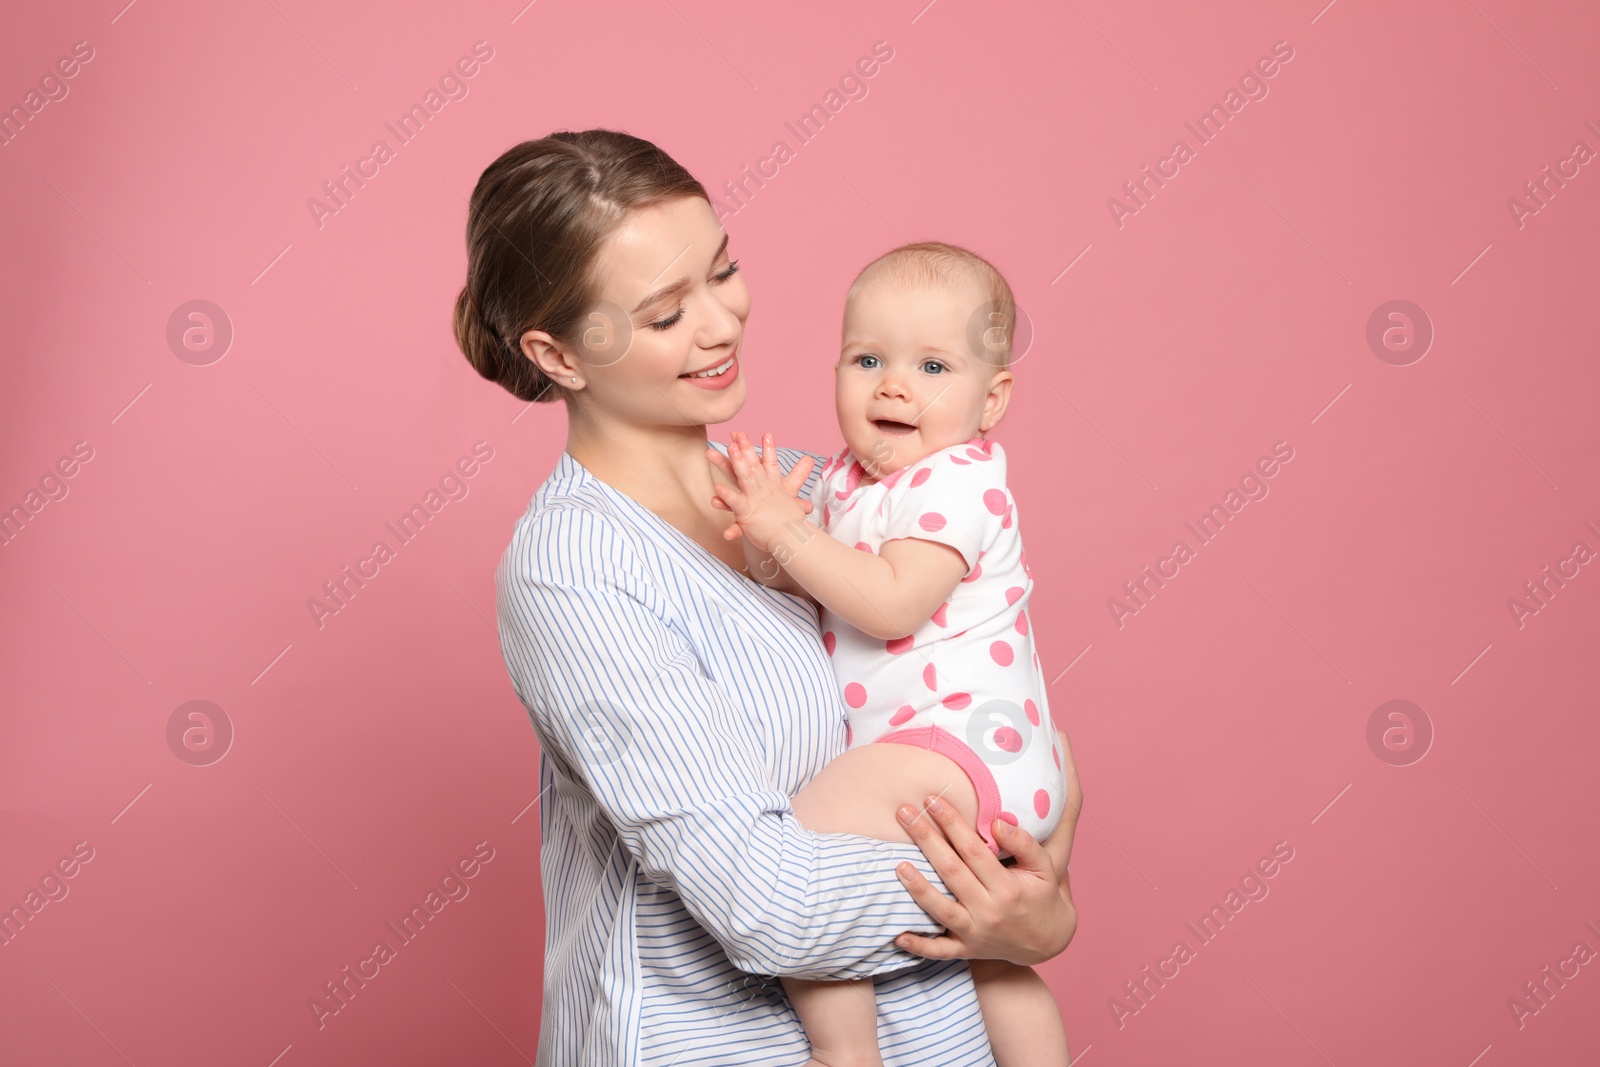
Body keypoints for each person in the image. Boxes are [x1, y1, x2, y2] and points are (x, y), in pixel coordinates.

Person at [452, 128, 1083, 1066]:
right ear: (559, 353)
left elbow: (996, 716)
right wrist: (1005, 903)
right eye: (665, 313)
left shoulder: (813, 492)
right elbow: (769, 905)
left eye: (723, 269)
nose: (720, 323)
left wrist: (1042, 905)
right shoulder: (576, 569)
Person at [708, 241, 1069, 1067]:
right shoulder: (848, 481)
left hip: (955, 746)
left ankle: (845, 1053)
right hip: (982, 760)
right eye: (867, 358)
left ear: (993, 399)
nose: (894, 384)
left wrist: (788, 531)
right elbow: (818, 584)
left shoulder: (957, 483)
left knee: (800, 856)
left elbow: (890, 599)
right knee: (997, 959)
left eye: (934, 366)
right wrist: (768, 545)